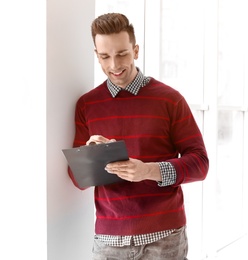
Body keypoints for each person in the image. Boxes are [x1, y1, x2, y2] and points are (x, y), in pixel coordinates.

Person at [68, 12, 209, 260]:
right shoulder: (86, 105)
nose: (114, 65)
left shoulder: (169, 100)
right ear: (96, 56)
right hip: (109, 240)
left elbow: (200, 164)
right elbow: (77, 179)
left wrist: (148, 171)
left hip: (164, 238)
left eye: (122, 54)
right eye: (105, 56)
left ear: (135, 50)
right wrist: (92, 156)